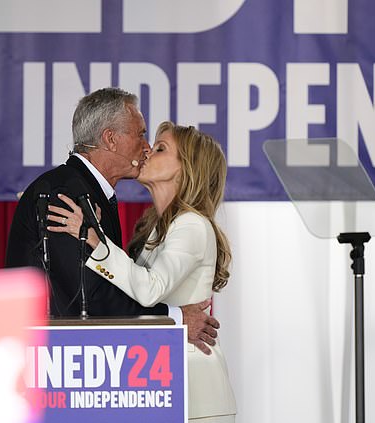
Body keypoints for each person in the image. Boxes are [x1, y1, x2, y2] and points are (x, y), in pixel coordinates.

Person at [47, 121, 237, 421]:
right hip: (162, 380)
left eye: (161, 148)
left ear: (186, 168)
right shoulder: (156, 228)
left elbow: (149, 290)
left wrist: (96, 240)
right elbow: (127, 290)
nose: (147, 150)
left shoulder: (191, 224)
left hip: (195, 390)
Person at [6, 87, 219, 353]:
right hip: (58, 362)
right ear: (111, 139)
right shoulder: (66, 194)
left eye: (158, 146)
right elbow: (89, 300)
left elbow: (108, 290)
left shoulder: (85, 191)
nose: (147, 147)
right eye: (140, 134)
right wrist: (176, 318)